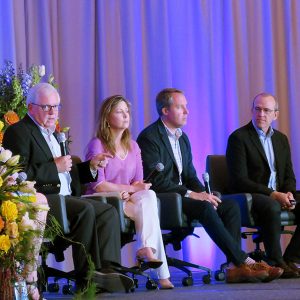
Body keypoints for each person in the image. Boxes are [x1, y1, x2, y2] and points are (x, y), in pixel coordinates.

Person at [137, 88, 283, 283]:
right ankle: (245, 261)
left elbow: (189, 175)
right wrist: (192, 194)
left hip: (184, 197)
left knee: (228, 205)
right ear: (165, 111)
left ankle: (234, 268)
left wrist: (204, 192)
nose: (187, 111)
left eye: (186, 107)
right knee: (204, 206)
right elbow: (156, 181)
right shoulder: (150, 137)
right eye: (181, 107)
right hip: (165, 198)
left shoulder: (182, 138)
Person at [2, 83, 134, 293]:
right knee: (85, 209)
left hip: (67, 197)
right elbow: (19, 174)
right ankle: (86, 277)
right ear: (30, 107)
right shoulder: (19, 132)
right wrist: (54, 167)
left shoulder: (54, 134)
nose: (53, 112)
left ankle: (107, 269)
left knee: (108, 209)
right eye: (46, 107)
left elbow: (68, 172)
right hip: (42, 199)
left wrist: (90, 167)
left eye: (56, 106)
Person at [84, 95, 174, 289]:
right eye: (119, 112)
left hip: (128, 200)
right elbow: (99, 185)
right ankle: (161, 273)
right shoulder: (97, 145)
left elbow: (138, 182)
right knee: (147, 204)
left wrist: (133, 190)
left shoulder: (133, 146)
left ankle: (147, 249)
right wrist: (130, 190)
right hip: (103, 201)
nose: (126, 116)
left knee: (149, 195)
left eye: (127, 112)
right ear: (107, 117)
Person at [226, 92, 300, 278]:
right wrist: (273, 194)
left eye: (267, 110)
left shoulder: (281, 139)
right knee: (271, 205)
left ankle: (290, 258)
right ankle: (275, 261)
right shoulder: (239, 138)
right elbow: (239, 180)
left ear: (275, 114)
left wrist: (289, 193)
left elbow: (289, 175)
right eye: (257, 109)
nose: (261, 114)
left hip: (279, 195)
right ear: (251, 111)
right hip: (249, 196)